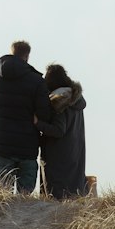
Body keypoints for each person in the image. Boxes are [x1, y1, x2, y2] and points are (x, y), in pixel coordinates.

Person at [0, 40, 52, 194]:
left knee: (3, 194)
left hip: (1, 141)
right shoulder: (36, 80)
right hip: (27, 144)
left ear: (11, 52)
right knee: (24, 199)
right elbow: (44, 113)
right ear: (27, 56)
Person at [36, 63, 87, 199]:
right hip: (74, 156)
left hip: (57, 159)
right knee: (72, 197)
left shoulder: (60, 100)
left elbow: (58, 130)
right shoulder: (74, 99)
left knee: (55, 203)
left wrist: (37, 123)